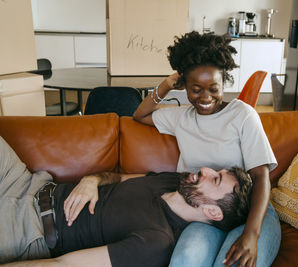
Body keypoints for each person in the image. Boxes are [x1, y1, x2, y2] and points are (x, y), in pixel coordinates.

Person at [133, 31, 281, 267]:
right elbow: (140, 115)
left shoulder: (243, 115)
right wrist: (167, 84)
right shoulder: (181, 118)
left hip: (250, 212)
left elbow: (261, 176)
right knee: (185, 261)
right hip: (203, 216)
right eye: (196, 89)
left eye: (213, 88)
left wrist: (252, 234)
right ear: (185, 87)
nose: (205, 97)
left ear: (224, 83)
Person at [0, 136, 252, 266]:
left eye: (215, 180)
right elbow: (117, 177)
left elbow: (65, 265)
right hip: (27, 181)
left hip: (28, 229)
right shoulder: (176, 181)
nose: (207, 169)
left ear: (213, 211)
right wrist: (91, 180)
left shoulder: (155, 243)